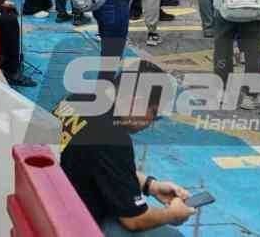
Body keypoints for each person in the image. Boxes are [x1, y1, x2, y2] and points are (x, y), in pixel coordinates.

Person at [59, 64, 195, 235]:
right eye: (154, 113)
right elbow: (134, 220)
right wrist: (172, 214)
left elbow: (101, 165)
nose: (151, 122)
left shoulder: (80, 98)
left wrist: (151, 186)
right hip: (72, 224)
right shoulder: (112, 137)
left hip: (53, 199)